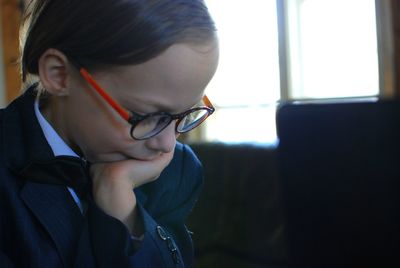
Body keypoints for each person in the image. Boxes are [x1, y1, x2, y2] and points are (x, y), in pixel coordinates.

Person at [0, 0, 219, 267]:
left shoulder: (177, 172)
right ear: (59, 75)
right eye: (148, 117)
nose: (167, 144)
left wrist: (121, 209)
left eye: (187, 113)